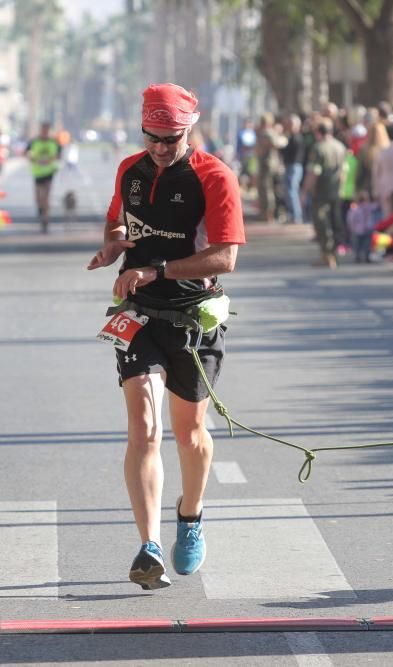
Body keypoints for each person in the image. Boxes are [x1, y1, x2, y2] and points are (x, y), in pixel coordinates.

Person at [86, 83, 245, 590]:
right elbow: (118, 226)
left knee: (190, 434)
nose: (158, 146)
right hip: (138, 315)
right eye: (151, 136)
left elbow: (225, 257)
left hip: (194, 318)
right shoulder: (130, 170)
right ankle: (149, 545)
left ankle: (190, 515)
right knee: (143, 426)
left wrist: (156, 269)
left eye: (169, 137)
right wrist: (112, 250)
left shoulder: (215, 176)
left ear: (189, 128)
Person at [303, 118, 346, 269]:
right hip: (336, 190)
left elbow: (314, 171)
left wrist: (305, 191)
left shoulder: (319, 148)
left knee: (322, 223)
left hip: (321, 191)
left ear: (318, 132)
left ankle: (327, 255)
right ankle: (334, 253)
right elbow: (344, 171)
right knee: (335, 222)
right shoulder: (340, 147)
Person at [26, 122, 61, 233]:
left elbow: (59, 154)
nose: (44, 132)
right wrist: (33, 158)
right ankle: (41, 209)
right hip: (37, 173)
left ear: (49, 131)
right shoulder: (34, 141)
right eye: (43, 130)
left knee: (46, 196)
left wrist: (49, 160)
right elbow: (27, 153)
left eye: (46, 130)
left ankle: (45, 218)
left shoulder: (53, 142)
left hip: (49, 172)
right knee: (38, 198)